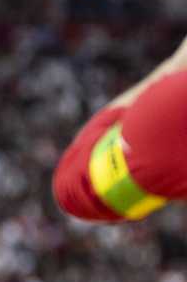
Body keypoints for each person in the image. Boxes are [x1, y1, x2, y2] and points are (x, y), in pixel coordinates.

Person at [53, 36, 187, 222]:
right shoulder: (84, 154)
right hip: (133, 141)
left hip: (145, 152)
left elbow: (173, 65)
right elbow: (172, 66)